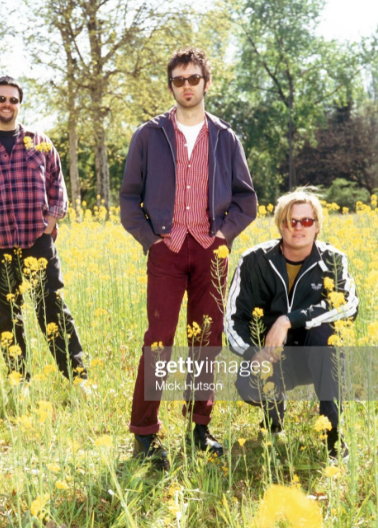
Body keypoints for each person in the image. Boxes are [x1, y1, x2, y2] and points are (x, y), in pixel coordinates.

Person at [120, 47, 257, 469]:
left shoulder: (226, 137)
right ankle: (145, 435)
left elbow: (246, 200)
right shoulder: (149, 135)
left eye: (193, 79)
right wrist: (151, 239)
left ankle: (200, 428)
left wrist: (222, 237)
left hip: (210, 252)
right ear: (171, 86)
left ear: (206, 83)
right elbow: (128, 197)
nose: (186, 86)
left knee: (206, 341)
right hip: (166, 249)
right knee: (158, 340)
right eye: (178, 80)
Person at [0, 76, 87, 383]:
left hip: (37, 240)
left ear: (19, 105)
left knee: (53, 308)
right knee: (6, 315)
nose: (7, 104)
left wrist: (49, 224)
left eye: (13, 100)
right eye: (1, 99)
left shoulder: (40, 142)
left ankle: (78, 378)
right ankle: (19, 380)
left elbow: (57, 187)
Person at [224, 188, 359, 459]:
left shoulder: (333, 260)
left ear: (317, 225)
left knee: (327, 337)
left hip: (315, 356)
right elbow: (232, 319)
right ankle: (273, 423)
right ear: (280, 224)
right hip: (273, 359)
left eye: (306, 221)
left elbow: (348, 305)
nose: (298, 227)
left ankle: (332, 439)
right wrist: (254, 353)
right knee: (249, 384)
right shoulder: (253, 261)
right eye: (290, 221)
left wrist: (289, 320)